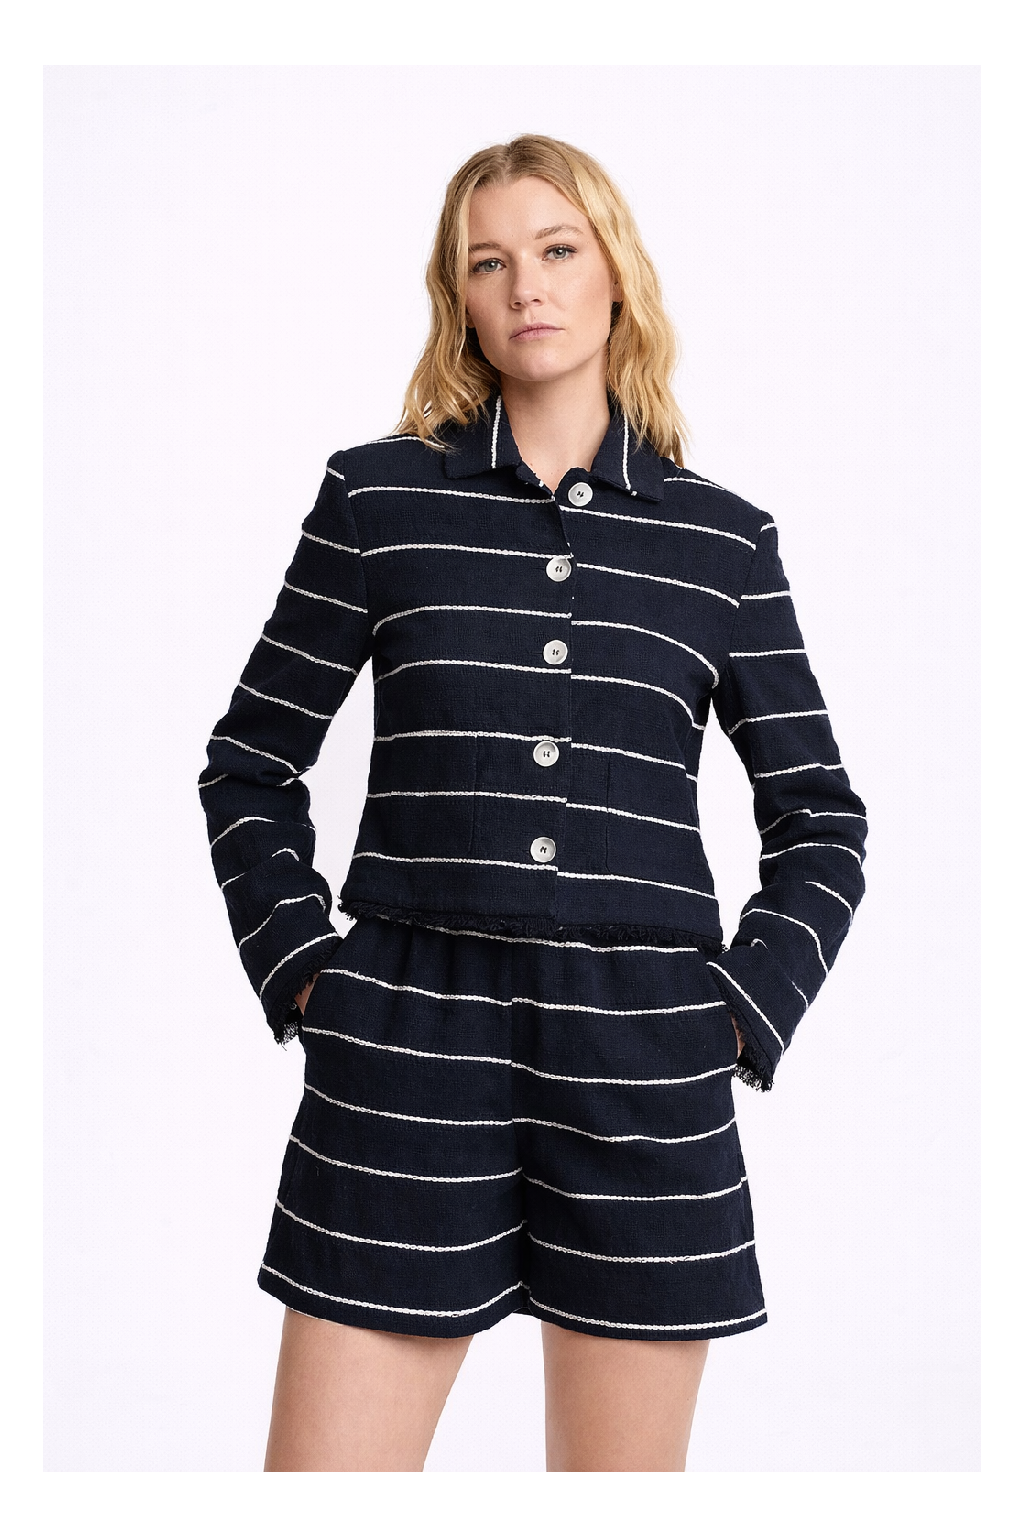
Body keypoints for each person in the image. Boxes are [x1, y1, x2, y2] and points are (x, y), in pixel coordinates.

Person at [200, 135, 867, 1473]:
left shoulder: (721, 541)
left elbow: (821, 821)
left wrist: (739, 1013)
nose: (527, 288)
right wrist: (308, 972)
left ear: (617, 273)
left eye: (558, 250)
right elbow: (251, 763)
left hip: (644, 1060)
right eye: (487, 262)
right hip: (407, 1040)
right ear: (457, 295)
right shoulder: (377, 501)